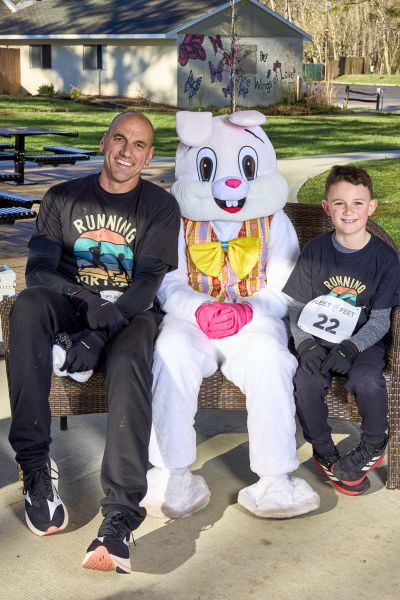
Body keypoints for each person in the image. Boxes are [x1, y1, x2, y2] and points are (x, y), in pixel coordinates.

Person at [8, 112, 181, 573]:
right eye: (120, 139)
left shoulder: (160, 206)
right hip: (73, 303)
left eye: (139, 145)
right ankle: (35, 467)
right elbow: (39, 271)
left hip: (131, 314)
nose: (127, 151)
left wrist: (98, 335)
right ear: (105, 142)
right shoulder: (62, 196)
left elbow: (147, 282)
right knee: (27, 306)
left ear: (149, 155)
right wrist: (85, 302)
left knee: (131, 356)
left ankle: (120, 516)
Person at [283, 165, 400, 496]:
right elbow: (296, 308)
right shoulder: (315, 251)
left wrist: (351, 347)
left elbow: (381, 319)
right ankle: (324, 450)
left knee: (367, 380)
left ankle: (374, 443)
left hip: (362, 343)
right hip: (317, 339)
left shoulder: (384, 259)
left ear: (371, 207)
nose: (349, 211)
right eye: (339, 203)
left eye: (357, 203)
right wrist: (305, 345)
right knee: (305, 380)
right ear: (326, 207)